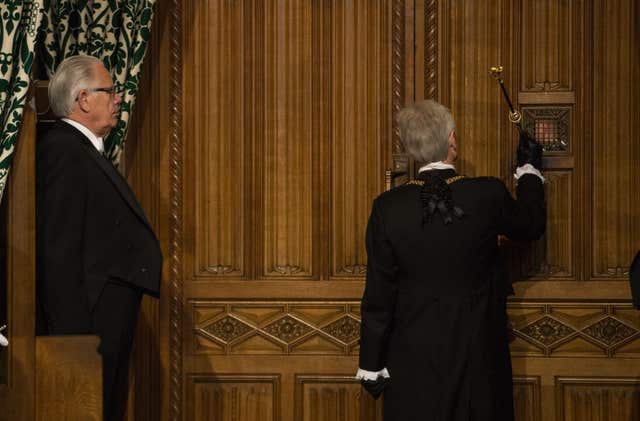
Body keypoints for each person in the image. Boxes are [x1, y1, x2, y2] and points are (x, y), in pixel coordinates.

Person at [357, 100, 546, 421]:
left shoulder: (387, 207)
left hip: (411, 357)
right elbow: (530, 225)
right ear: (452, 140)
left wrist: (370, 366)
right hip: (479, 354)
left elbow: (379, 291)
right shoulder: (487, 194)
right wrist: (529, 172)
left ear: (411, 148)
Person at [36, 55, 162, 421]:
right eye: (109, 91)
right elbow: (57, 249)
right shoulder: (62, 151)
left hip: (101, 324)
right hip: (86, 328)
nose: (118, 99)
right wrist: (75, 343)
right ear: (83, 99)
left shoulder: (79, 149)